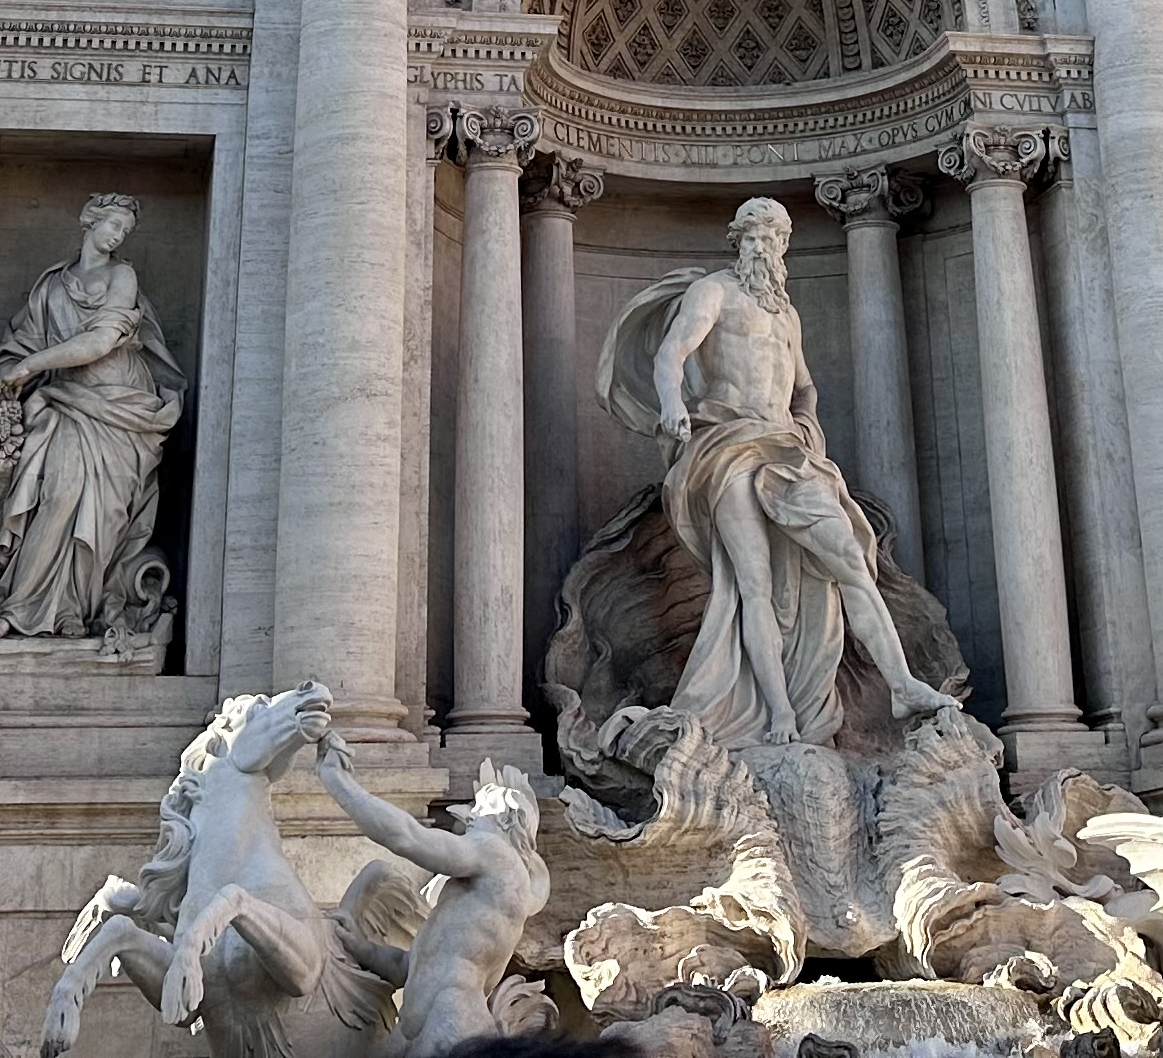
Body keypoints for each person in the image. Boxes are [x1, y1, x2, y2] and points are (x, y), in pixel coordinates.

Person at [597, 198, 959, 750]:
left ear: (785, 247)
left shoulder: (786, 314)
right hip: (726, 445)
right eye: (754, 237)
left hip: (789, 451)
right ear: (738, 241)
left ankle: (903, 685)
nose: (764, 246)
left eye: (774, 237)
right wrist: (671, 404)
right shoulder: (713, 292)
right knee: (754, 586)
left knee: (850, 562)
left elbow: (805, 387)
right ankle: (779, 714)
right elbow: (671, 353)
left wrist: (808, 422)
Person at [0, 194, 189, 640]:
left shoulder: (121, 276)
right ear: (90, 221)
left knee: (105, 514)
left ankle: (77, 610)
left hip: (120, 410)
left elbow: (99, 342)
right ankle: (21, 608)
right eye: (113, 225)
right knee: (59, 495)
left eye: (124, 232)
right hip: (66, 402)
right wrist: (6, 377)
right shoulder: (51, 287)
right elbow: (24, 342)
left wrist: (28, 368)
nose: (117, 236)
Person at [310, 742, 552, 1057]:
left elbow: (406, 837)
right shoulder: (477, 893)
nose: (471, 813)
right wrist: (361, 948)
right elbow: (410, 966)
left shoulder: (498, 854)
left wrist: (338, 783)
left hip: (453, 1023)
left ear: (507, 821)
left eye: (482, 807)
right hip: (416, 1030)